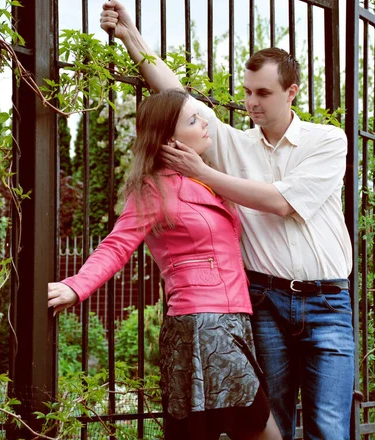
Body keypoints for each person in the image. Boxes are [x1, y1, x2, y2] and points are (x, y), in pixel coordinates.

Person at [99, 2, 355, 440]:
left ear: (292, 92)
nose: (251, 102)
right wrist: (131, 38)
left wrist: (203, 173)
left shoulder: (326, 141)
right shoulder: (237, 145)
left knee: (329, 428)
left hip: (327, 303)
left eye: (264, 93)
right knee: (271, 425)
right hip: (265, 303)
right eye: (249, 91)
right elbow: (177, 96)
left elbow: (281, 202)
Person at [48, 89, 283, 440]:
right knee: (251, 427)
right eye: (193, 120)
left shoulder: (205, 180)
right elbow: (117, 245)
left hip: (232, 321)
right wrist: (76, 286)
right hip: (201, 325)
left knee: (235, 427)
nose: (205, 123)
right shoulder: (153, 189)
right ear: (169, 139)